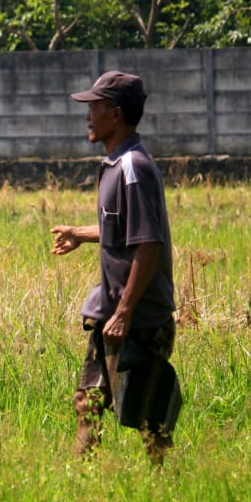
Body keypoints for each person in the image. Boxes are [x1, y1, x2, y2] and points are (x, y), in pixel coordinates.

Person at [50, 71, 181, 464]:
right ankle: (83, 485)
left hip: (138, 318)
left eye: (96, 107)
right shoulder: (115, 165)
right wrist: (79, 233)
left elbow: (148, 245)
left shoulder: (133, 168)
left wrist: (125, 313)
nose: (88, 116)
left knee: (147, 418)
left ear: (117, 114)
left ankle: (165, 491)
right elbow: (120, 229)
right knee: (86, 403)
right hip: (110, 314)